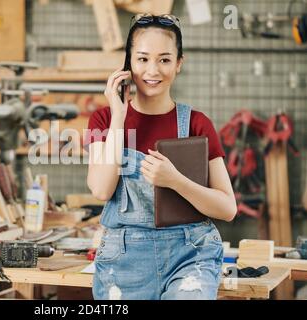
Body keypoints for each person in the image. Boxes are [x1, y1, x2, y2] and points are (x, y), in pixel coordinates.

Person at [84, 14, 237, 300]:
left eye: (164, 60)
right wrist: (119, 116)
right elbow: (101, 189)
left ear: (179, 64)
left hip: (190, 255)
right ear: (127, 63)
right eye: (142, 59)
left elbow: (227, 208)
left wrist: (176, 181)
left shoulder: (197, 123)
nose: (152, 70)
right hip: (125, 260)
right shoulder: (103, 119)